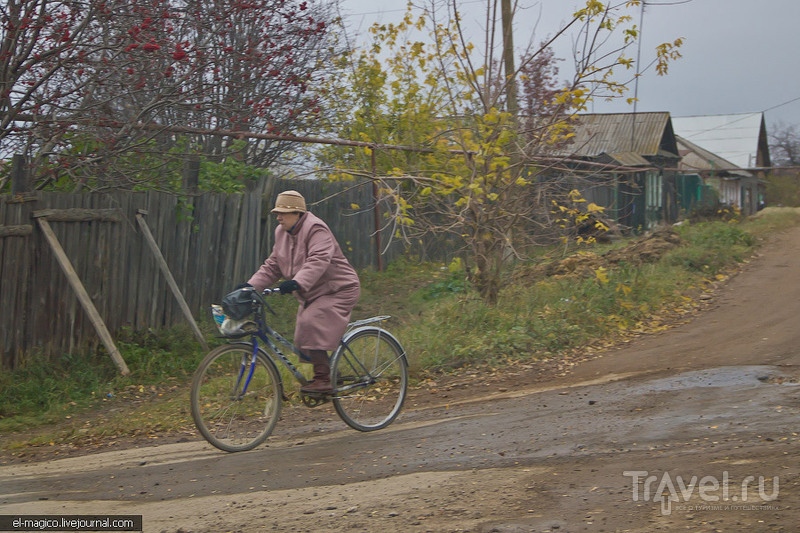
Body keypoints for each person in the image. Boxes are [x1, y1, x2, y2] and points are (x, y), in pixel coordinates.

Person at [244, 190, 360, 393]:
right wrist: (250, 287)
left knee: (311, 322)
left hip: (338, 289)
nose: (278, 217)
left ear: (297, 213)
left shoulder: (316, 229)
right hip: (313, 293)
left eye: (283, 213)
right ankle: (330, 372)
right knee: (302, 334)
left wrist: (297, 282)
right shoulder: (282, 232)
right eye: (277, 213)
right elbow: (273, 265)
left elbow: (318, 259)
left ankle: (323, 379)